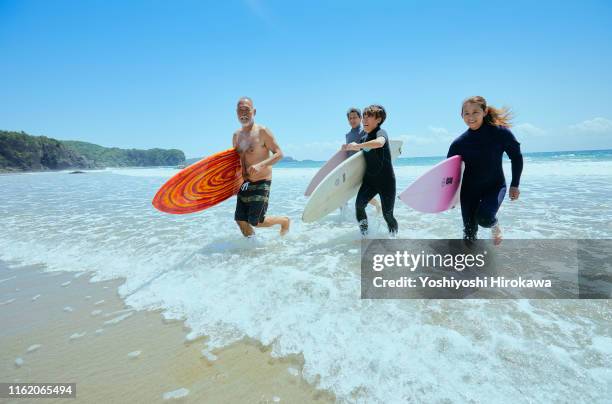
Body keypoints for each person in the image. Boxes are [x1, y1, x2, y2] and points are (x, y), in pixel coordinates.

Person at [447, 96, 523, 245]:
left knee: (485, 218)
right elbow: (449, 173)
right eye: (466, 113)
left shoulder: (501, 133)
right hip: (469, 191)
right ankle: (472, 266)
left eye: (475, 112)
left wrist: (515, 184)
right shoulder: (459, 143)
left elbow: (516, 157)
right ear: (461, 116)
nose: (471, 117)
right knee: (469, 235)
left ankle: (495, 226)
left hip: (494, 186)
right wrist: (450, 197)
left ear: (484, 111)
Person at [232, 97, 290, 237]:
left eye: (247, 109)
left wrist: (260, 165)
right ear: (236, 112)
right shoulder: (236, 136)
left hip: (262, 180)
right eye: (240, 110)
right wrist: (234, 183)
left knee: (256, 221)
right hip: (245, 183)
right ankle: (252, 248)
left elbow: (279, 153)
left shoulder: (262, 131)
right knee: (240, 219)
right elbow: (237, 161)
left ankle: (284, 221)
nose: (243, 113)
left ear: (254, 111)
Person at [345, 105, 398, 236]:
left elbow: (379, 143)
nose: (364, 120)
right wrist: (346, 148)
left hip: (386, 182)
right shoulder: (364, 138)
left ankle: (394, 238)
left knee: (388, 215)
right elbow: (358, 157)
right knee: (359, 206)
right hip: (369, 181)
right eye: (364, 117)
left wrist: (358, 146)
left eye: (369, 117)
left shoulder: (381, 133)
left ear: (378, 119)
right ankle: (365, 235)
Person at [344, 108, 381, 214]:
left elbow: (368, 147)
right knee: (348, 191)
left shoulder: (365, 131)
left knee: (360, 191)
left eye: (355, 117)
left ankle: (377, 205)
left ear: (360, 118)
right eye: (350, 118)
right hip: (351, 167)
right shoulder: (347, 135)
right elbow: (349, 152)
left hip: (362, 166)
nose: (352, 120)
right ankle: (344, 216)